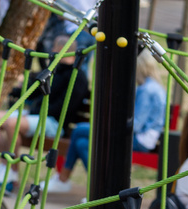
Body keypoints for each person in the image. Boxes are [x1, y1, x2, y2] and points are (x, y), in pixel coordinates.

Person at [47, 48, 166, 193]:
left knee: (79, 130)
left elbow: (136, 125)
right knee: (81, 143)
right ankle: (100, 190)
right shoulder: (154, 87)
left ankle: (66, 180)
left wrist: (112, 125)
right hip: (142, 139)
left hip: (138, 140)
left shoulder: (146, 90)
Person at [0, 35, 89, 187]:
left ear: (59, 49)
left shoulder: (77, 76)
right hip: (36, 116)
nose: (51, 50)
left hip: (54, 122)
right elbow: (34, 90)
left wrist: (36, 111)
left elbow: (64, 108)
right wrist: (16, 88)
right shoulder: (54, 69)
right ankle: (6, 166)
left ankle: (11, 171)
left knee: (12, 124)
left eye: (54, 48)